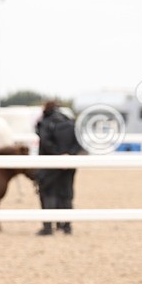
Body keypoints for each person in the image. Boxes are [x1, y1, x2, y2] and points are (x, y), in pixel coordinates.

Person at [35, 101, 82, 235]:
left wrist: (58, 156)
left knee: (48, 193)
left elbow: (45, 142)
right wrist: (69, 156)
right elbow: (79, 143)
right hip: (69, 165)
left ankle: (48, 227)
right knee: (66, 193)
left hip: (49, 165)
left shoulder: (46, 123)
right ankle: (66, 226)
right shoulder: (70, 123)